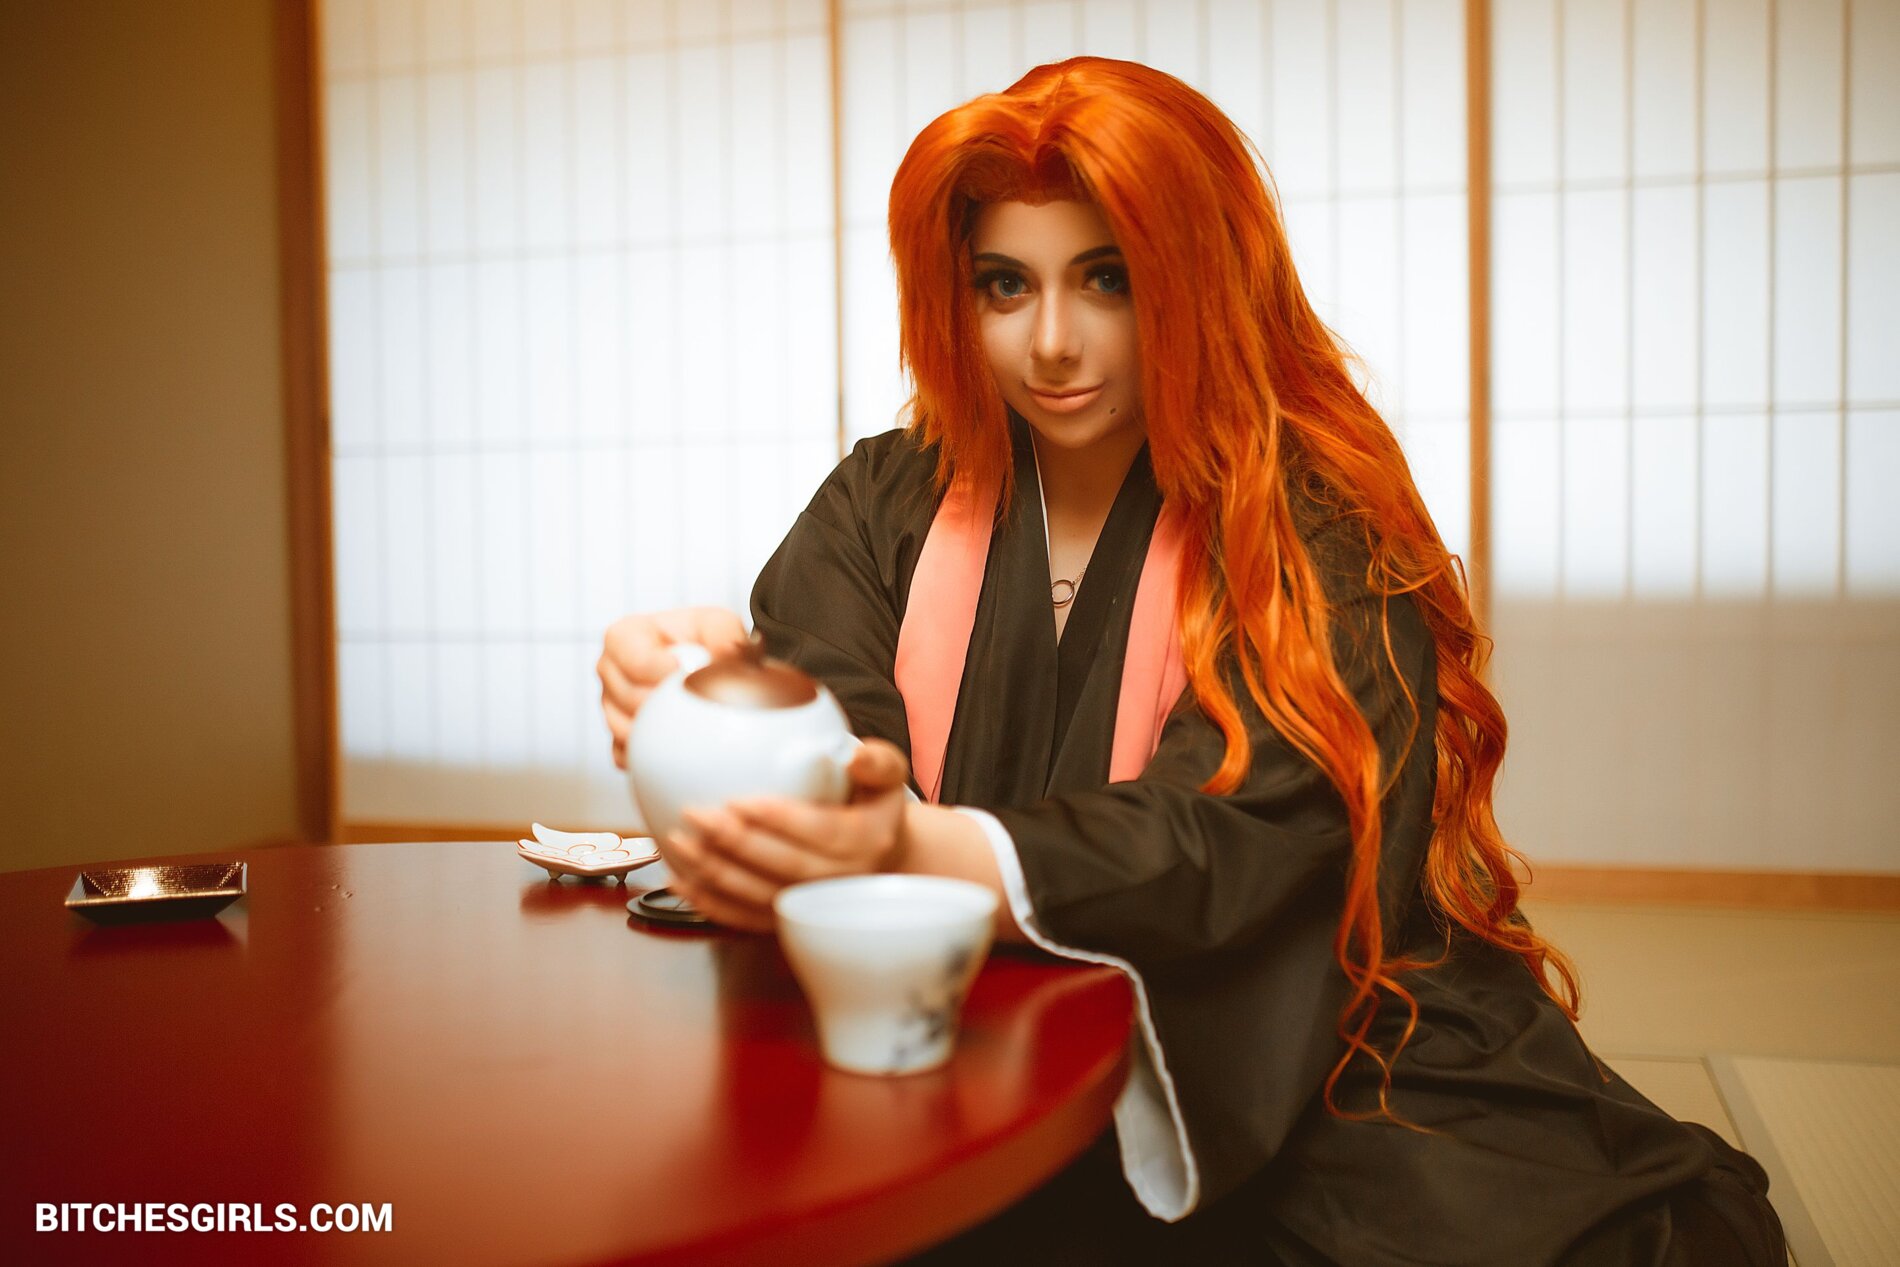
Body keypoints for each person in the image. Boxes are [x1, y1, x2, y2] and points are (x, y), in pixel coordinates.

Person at [596, 57, 1784, 1266]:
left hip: (1310, 1040)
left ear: (1197, 274)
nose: (1051, 343)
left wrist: (909, 846)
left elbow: (1238, 829)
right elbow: (839, 746)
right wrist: (710, 701)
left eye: (1106, 278)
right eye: (1005, 285)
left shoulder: (1308, 519)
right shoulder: (883, 495)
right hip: (976, 1016)